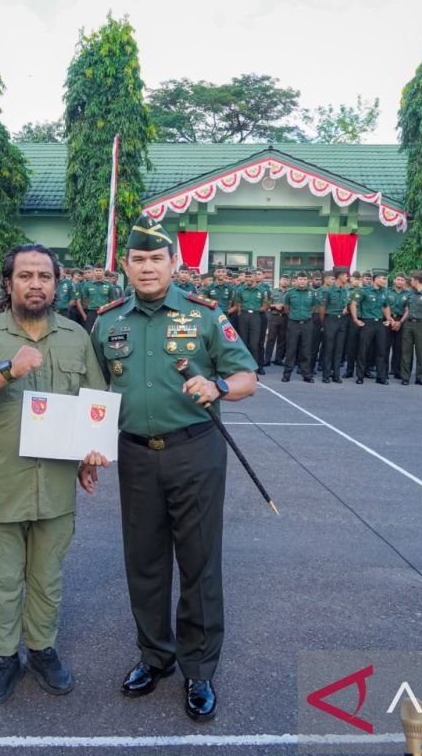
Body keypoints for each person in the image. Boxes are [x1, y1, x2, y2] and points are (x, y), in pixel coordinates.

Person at [91, 222, 257, 723]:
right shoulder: (106, 321)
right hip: (136, 454)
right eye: (138, 261)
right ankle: (154, 657)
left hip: (195, 451)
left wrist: (219, 389)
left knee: (199, 561)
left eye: (156, 260)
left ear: (173, 265)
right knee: (144, 560)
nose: (147, 268)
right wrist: (86, 448)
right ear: (126, 266)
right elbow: (95, 394)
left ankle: (199, 669)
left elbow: (247, 376)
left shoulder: (204, 316)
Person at [0, 243, 109, 706]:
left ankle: (41, 651)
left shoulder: (77, 337)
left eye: (44, 275)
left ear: (57, 283)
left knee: (47, 578)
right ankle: (3, 659)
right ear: (9, 284)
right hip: (1, 485)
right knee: (0, 580)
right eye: (26, 275)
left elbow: (93, 402)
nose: (36, 283)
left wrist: (87, 455)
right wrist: (8, 369)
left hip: (55, 487)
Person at [350, 270, 390, 384]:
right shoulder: (364, 291)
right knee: (363, 350)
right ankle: (360, 376)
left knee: (381, 350)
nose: (384, 281)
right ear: (375, 279)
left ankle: (381, 377)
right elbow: (353, 303)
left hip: (380, 324)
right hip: (367, 322)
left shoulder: (384, 292)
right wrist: (355, 319)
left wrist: (389, 319)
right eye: (383, 278)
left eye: (385, 279)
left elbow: (386, 306)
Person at [399, 270, 422, 385]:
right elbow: (405, 307)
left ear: (417, 281)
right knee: (406, 351)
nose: (410, 281)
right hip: (408, 324)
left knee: (421, 352)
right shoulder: (409, 293)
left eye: (412, 279)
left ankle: (420, 377)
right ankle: (405, 377)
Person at [280, 272, 317, 382]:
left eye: (304, 279)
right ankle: (287, 374)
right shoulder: (290, 293)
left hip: (307, 323)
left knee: (306, 350)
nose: (302, 281)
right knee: (291, 349)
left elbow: (313, 307)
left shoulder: (311, 293)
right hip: (293, 323)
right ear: (296, 281)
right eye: (300, 279)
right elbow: (286, 308)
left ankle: (306, 375)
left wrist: (306, 315)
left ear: (307, 281)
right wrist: (294, 315)